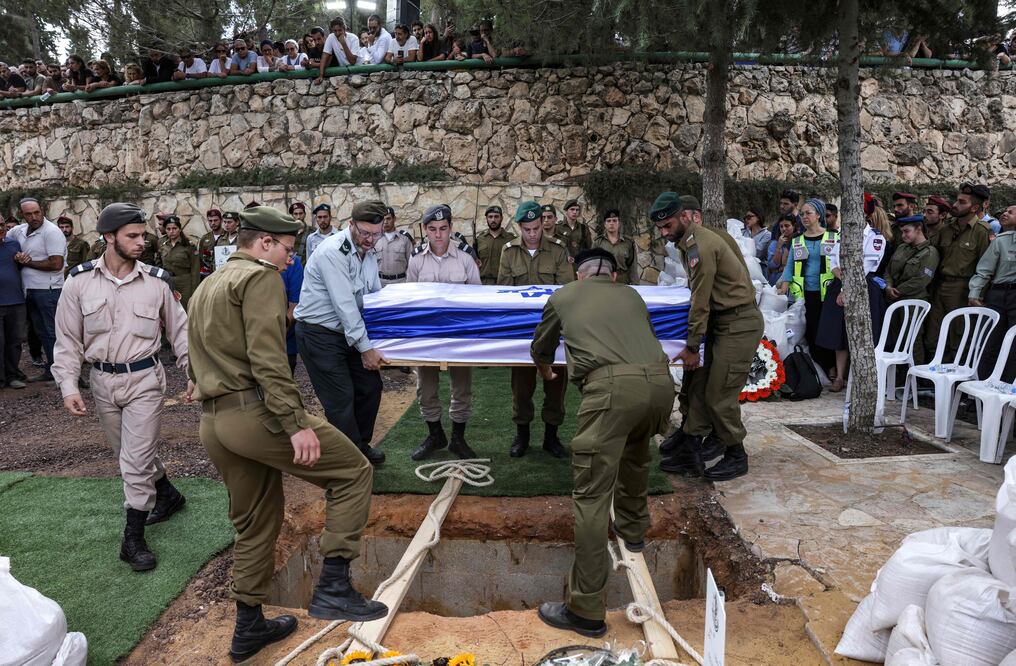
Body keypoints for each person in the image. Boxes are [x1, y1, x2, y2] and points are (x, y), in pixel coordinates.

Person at [187, 206, 386, 662]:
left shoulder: (209, 284)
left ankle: (249, 626)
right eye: (286, 249)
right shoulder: (260, 279)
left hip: (214, 421)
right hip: (255, 413)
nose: (292, 259)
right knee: (353, 471)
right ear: (262, 244)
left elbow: (193, 357)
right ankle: (334, 586)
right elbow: (269, 360)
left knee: (255, 520)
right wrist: (295, 423)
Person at [532, 247, 673, 638]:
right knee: (637, 452)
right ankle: (632, 527)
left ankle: (586, 609)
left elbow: (541, 347)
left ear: (578, 274)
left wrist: (545, 369)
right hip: (661, 386)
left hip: (611, 390)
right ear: (613, 275)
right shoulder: (631, 293)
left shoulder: (563, 296)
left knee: (591, 497)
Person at [51, 203, 191, 572]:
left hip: (145, 379)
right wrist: (68, 384)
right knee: (128, 452)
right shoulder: (78, 282)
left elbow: (182, 333)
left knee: (134, 459)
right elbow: (67, 340)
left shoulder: (157, 283)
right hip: (101, 382)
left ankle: (133, 539)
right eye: (133, 236)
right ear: (109, 237)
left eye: (143, 235)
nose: (141, 242)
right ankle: (167, 493)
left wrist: (194, 372)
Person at [650, 192, 763, 481]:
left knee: (719, 395)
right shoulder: (690, 242)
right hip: (721, 323)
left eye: (668, 225)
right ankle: (692, 445)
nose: (665, 233)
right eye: (661, 228)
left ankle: (737, 454)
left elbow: (700, 300)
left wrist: (691, 346)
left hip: (738, 324)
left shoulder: (700, 245)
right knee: (698, 386)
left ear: (684, 217)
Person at [295, 201, 390, 466]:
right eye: (365, 233)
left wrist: (384, 337)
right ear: (351, 225)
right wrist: (366, 348)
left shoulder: (368, 251)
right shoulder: (332, 252)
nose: (371, 240)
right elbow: (345, 305)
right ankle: (349, 463)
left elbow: (372, 295)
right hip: (319, 335)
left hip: (347, 332)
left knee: (370, 386)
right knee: (341, 398)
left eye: (376, 233)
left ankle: (359, 446)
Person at [497, 201, 574, 458]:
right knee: (521, 388)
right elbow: (505, 293)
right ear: (519, 227)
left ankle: (551, 437)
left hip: (553, 331)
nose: (532, 234)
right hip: (522, 333)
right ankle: (522, 436)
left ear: (543, 223)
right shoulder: (508, 253)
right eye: (527, 229)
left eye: (536, 227)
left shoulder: (558, 251)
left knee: (555, 385)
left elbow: (567, 291)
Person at [407, 205, 482, 460]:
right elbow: (411, 300)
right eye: (432, 229)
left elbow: (477, 298)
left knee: (461, 388)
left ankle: (458, 439)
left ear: (450, 227)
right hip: (428, 335)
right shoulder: (416, 259)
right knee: (425, 389)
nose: (438, 235)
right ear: (424, 230)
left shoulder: (465, 258)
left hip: (458, 334)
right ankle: (435, 434)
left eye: (443, 228)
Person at [816, 200, 889, 391]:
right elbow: (832, 259)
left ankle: (861, 377)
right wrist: (839, 275)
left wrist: (846, 289)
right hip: (841, 283)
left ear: (864, 214)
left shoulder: (875, 237)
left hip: (863, 287)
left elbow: (867, 266)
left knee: (864, 332)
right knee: (838, 332)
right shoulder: (840, 234)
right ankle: (839, 377)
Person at [926, 183, 993, 361]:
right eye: (957, 200)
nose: (955, 205)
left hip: (963, 289)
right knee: (933, 336)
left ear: (975, 207)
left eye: (962, 202)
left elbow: (985, 267)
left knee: (959, 336)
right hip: (940, 287)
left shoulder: (981, 232)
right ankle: (935, 379)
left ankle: (957, 382)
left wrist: (978, 295)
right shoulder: (946, 228)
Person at [776, 198, 838, 377]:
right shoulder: (797, 240)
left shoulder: (833, 236)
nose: (804, 217)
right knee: (810, 331)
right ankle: (818, 369)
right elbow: (789, 266)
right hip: (805, 293)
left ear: (818, 215)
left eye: (808, 213)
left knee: (826, 331)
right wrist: (784, 286)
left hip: (828, 292)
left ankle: (831, 367)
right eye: (801, 214)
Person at [9, 197, 67, 382]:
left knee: (52, 332)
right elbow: (6, 241)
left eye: (37, 212)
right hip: (31, 290)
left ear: (42, 210)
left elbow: (56, 264)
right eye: (29, 214)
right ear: (22, 215)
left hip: (48, 290)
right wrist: (15, 255)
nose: (34, 217)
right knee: (42, 332)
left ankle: (61, 373)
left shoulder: (52, 232)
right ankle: (52, 370)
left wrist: (28, 262)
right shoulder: (19, 231)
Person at [969, 203, 1016, 382]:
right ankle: (979, 396)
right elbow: (984, 270)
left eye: (1011, 212)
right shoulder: (1001, 241)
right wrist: (974, 293)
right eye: (1005, 211)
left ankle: (1008, 395)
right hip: (998, 295)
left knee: (1013, 348)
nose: (1005, 214)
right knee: (990, 343)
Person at [884, 215, 939, 365]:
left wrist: (898, 290)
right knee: (896, 337)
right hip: (894, 299)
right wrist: (888, 286)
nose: (903, 235)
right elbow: (888, 270)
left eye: (907, 231)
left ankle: (915, 374)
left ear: (919, 229)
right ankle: (900, 375)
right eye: (901, 232)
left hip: (914, 300)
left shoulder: (930, 252)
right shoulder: (902, 247)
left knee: (912, 338)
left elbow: (922, 280)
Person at [0, 219, 27, 390]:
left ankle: (12, 376)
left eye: (1, 225)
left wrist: (22, 260)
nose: (0, 228)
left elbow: (20, 268)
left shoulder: (14, 244)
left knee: (15, 341)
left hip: (16, 301)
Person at [159, 216, 200, 309]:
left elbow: (195, 269)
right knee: (170, 312)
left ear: (180, 229)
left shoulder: (189, 246)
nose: (171, 231)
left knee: (185, 311)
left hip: (185, 284)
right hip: (168, 282)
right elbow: (159, 265)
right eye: (168, 229)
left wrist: (195, 291)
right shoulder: (163, 245)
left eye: (174, 228)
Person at [591, 209, 639, 284]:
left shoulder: (628, 243)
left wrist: (635, 284)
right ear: (604, 224)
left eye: (614, 220)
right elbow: (593, 265)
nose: (611, 223)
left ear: (619, 223)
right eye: (609, 221)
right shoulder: (598, 242)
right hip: (603, 281)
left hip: (622, 281)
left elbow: (632, 266)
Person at [474, 205, 516, 285]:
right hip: (484, 284)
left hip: (505, 283)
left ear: (501, 218)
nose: (493, 220)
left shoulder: (511, 239)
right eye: (490, 217)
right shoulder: (479, 240)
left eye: (496, 217)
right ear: (486, 218)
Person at [374, 207, 414, 286]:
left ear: (394, 219)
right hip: (380, 283)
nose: (385, 222)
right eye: (383, 219)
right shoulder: (375, 239)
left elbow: (412, 263)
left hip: (400, 283)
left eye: (388, 219)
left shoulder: (405, 239)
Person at [315, 16, 360, 85]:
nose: (337, 33)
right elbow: (324, 56)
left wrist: (343, 43)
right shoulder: (331, 37)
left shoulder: (354, 38)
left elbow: (352, 61)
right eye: (335, 31)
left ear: (344, 29)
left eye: (340, 30)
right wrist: (321, 75)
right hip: (345, 74)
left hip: (359, 73)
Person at [766, 214, 797, 285]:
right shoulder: (774, 243)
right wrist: (779, 247)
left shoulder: (799, 242)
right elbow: (773, 265)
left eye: (787, 226)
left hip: (793, 280)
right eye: (781, 226)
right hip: (776, 279)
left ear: (794, 226)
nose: (783, 229)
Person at [198, 208, 225, 280]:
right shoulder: (205, 238)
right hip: (209, 276)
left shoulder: (227, 236)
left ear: (221, 220)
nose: (213, 223)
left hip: (223, 274)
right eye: (210, 221)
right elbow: (200, 259)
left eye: (215, 220)